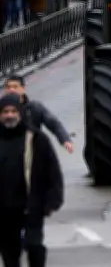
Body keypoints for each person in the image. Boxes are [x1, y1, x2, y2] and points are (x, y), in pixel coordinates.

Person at [0, 94, 64, 267]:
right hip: (4, 208)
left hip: (32, 205)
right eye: (5, 112)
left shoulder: (36, 139)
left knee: (34, 245)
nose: (9, 115)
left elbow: (53, 170)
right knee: (9, 249)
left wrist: (53, 200)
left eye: (13, 111)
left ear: (20, 113)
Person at [4, 77, 73, 154]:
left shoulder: (34, 107)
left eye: (15, 87)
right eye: (8, 87)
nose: (11, 90)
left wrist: (65, 140)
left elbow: (53, 123)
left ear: (23, 89)